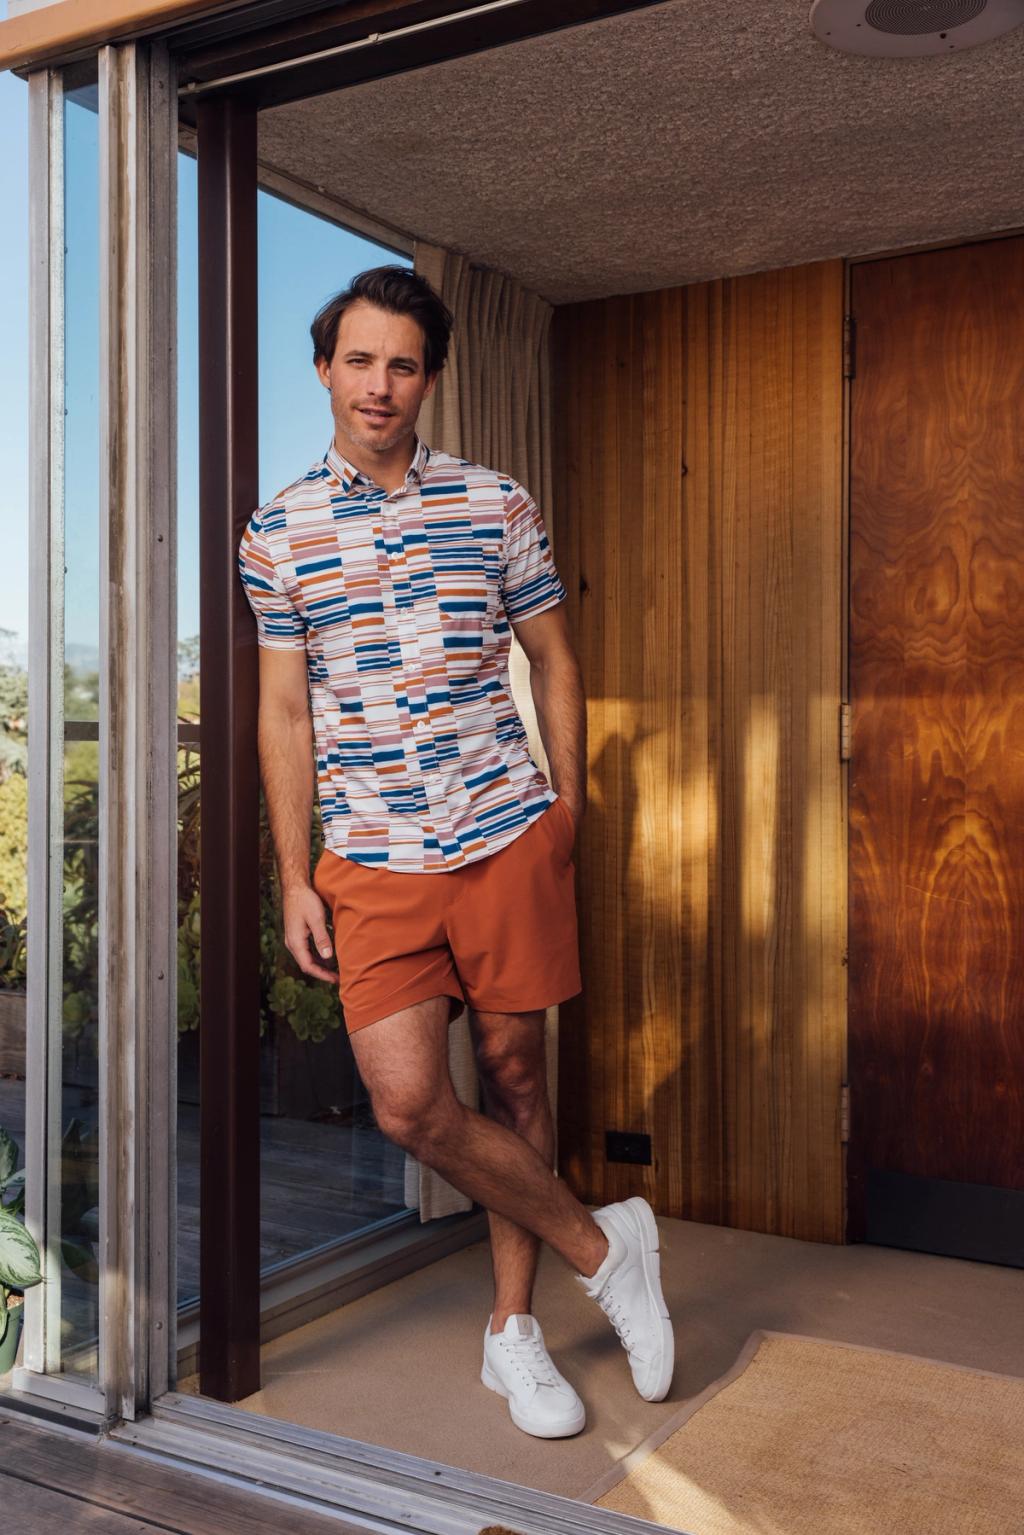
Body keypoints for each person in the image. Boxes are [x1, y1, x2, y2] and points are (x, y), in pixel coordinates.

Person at [237, 265, 674, 1438]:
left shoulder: (495, 503)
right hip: (371, 854)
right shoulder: (278, 532)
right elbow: (283, 713)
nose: (378, 384)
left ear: (428, 379)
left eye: (402, 364)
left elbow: (554, 656)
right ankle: (605, 1247)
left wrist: (564, 806)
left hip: (502, 830)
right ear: (324, 369)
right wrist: (294, 872)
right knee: (408, 1102)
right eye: (359, 360)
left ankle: (512, 1330)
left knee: (516, 1076)